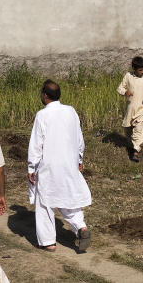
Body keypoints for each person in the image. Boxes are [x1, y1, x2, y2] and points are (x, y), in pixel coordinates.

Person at [27, 80, 92, 253]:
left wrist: (31, 167)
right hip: (69, 163)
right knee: (67, 197)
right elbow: (79, 138)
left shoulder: (42, 115)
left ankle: (49, 241)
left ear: (45, 95)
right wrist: (79, 159)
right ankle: (81, 227)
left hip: (49, 166)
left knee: (44, 202)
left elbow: (36, 144)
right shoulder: (71, 111)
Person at [117, 55, 143, 162]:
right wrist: (125, 92)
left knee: (139, 129)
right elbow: (120, 88)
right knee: (127, 128)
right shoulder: (128, 76)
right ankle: (131, 146)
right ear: (134, 69)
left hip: (142, 108)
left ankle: (135, 152)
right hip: (130, 109)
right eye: (140, 70)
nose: (142, 72)